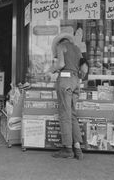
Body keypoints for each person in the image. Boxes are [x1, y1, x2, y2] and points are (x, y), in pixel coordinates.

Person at [46, 32, 88, 160]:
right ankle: (78, 149)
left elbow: (61, 64)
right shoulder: (77, 49)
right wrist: (77, 77)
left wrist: (50, 70)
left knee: (65, 114)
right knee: (72, 115)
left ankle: (67, 149)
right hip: (76, 82)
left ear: (59, 42)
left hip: (65, 81)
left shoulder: (61, 46)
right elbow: (85, 69)